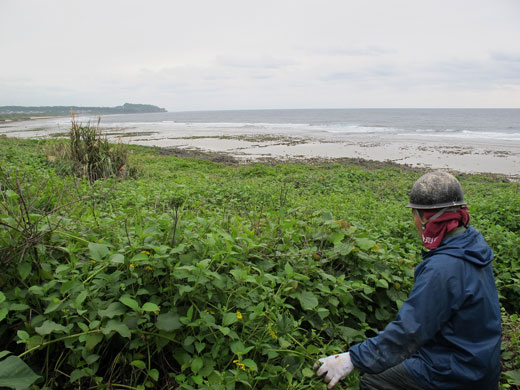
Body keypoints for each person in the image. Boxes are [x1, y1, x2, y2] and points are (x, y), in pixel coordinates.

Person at [313, 171, 502, 389]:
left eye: (414, 213)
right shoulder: (472, 245)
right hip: (481, 363)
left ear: (425, 218)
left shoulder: (442, 268)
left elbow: (410, 331)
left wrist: (353, 358)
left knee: (374, 382)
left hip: (456, 372)